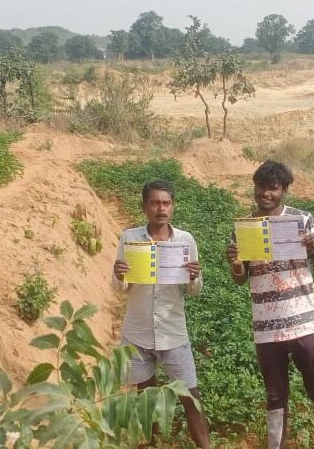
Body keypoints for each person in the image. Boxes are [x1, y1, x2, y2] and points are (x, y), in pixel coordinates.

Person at [227, 161, 314, 449]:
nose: (265, 193)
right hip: (266, 327)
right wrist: (237, 265)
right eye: (260, 187)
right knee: (276, 396)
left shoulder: (303, 220)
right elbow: (240, 279)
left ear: (284, 191)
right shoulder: (245, 227)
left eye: (272, 188)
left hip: (303, 323)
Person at [112, 180, 210, 448]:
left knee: (191, 396)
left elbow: (194, 290)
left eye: (166, 203)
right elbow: (120, 287)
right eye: (155, 203)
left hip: (173, 332)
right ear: (145, 206)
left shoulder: (185, 240)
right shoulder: (129, 238)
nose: (161, 208)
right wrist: (119, 274)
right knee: (147, 397)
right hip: (138, 334)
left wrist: (194, 276)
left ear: (173, 206)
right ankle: (153, 441)